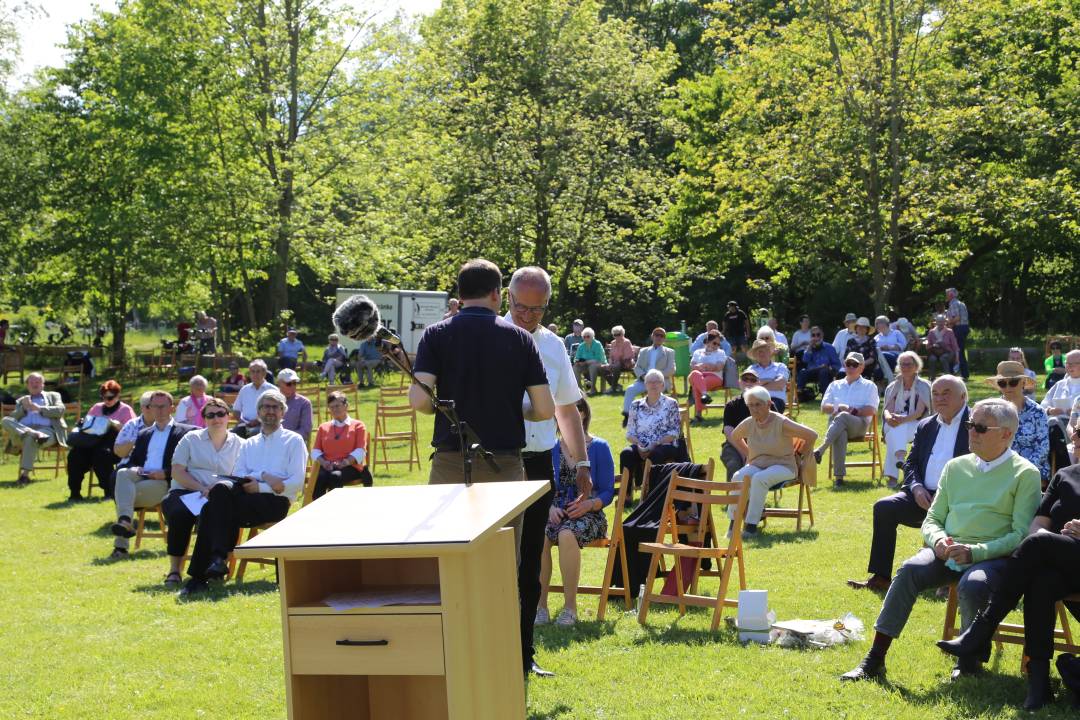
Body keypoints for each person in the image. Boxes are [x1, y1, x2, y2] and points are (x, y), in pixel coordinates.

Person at [841, 398, 1042, 683]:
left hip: (994, 558)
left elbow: (1020, 536)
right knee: (909, 570)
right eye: (970, 424)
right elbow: (932, 519)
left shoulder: (1025, 473)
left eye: (980, 428)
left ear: (1006, 434)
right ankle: (874, 659)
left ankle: (968, 662)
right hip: (947, 551)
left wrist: (974, 552)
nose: (971, 431)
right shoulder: (955, 467)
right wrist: (937, 541)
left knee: (973, 585)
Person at [504, 265, 592, 678]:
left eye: (536, 310)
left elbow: (567, 409)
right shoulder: (491, 336)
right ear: (507, 299)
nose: (527, 316)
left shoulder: (554, 345)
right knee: (498, 558)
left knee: (530, 560)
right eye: (521, 307)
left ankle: (524, 655)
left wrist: (582, 461)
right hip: (495, 460)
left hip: (538, 460)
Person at [937, 460, 1080, 710]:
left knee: (1035, 545)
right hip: (1063, 563)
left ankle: (982, 628)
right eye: (1076, 437)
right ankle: (1039, 685)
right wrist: (1051, 541)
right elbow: (1038, 526)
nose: (1076, 441)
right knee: (1041, 582)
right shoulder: (1064, 475)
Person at [410, 258, 555, 488]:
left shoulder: (434, 334)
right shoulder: (521, 339)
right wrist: (518, 409)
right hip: (503, 464)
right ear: (496, 293)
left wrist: (438, 408)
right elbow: (545, 409)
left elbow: (419, 400)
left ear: (460, 294)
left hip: (450, 461)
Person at [848, 375, 970, 592]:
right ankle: (881, 577)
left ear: (963, 397)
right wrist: (916, 487)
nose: (940, 398)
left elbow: (980, 466)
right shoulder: (926, 425)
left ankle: (948, 580)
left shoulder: (975, 425)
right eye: (935, 394)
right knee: (884, 507)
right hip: (923, 496)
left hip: (959, 499)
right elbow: (911, 463)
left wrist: (947, 494)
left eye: (946, 393)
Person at [179, 390, 307, 596]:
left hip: (275, 502)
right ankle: (216, 561)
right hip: (246, 499)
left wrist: (261, 486)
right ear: (258, 412)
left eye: (275, 407)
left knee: (212, 509)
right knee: (220, 490)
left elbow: (296, 483)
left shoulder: (294, 441)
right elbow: (238, 475)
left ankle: (203, 573)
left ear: (283, 412)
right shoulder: (249, 443)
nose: (270, 411)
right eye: (265, 407)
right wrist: (265, 476)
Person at [537, 397, 614, 627]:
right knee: (538, 535)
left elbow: (608, 492)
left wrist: (589, 505)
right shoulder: (550, 448)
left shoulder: (599, 447)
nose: (567, 413)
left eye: (574, 408)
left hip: (590, 513)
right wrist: (548, 507)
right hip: (555, 512)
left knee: (566, 534)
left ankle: (570, 609)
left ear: (583, 413)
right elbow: (542, 487)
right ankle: (540, 607)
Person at [160, 397, 243, 586]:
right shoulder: (190, 439)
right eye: (210, 415)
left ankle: (217, 565)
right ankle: (175, 570)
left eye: (220, 414)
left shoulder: (241, 443)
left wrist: (216, 490)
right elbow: (177, 471)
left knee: (224, 513)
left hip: (220, 495)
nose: (216, 419)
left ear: (228, 416)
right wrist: (202, 488)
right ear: (204, 419)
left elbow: (241, 474)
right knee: (179, 513)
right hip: (186, 491)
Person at [108, 391, 194, 560]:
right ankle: (125, 521)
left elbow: (190, 465)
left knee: (124, 496)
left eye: (163, 406)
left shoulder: (185, 433)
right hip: (143, 475)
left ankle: (121, 546)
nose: (158, 410)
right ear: (149, 408)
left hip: (165, 483)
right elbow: (133, 461)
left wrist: (165, 473)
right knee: (123, 472)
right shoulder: (143, 434)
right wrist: (139, 470)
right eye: (154, 406)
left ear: (172, 408)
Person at [728, 385, 818, 538]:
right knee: (738, 476)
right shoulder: (749, 422)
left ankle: (751, 527)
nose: (754, 409)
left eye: (758, 404)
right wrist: (749, 453)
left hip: (784, 466)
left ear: (769, 404)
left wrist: (801, 453)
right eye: (750, 405)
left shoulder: (781, 422)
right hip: (758, 465)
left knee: (759, 479)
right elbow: (735, 436)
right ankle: (733, 525)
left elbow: (812, 435)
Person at [813, 352, 880, 487]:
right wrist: (839, 408)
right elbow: (824, 408)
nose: (851, 367)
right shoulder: (834, 385)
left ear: (862, 367)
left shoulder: (869, 386)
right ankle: (839, 479)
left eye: (854, 364)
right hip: (837, 426)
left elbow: (871, 410)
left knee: (842, 417)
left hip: (859, 425)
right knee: (840, 431)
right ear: (844, 365)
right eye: (848, 364)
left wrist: (852, 410)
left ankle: (821, 449)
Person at [66, 380, 134, 501]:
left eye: (110, 397)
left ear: (117, 396)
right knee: (74, 455)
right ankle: (74, 493)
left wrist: (116, 425)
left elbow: (133, 431)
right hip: (91, 443)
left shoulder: (125, 410)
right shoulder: (97, 407)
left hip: (114, 446)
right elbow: (87, 426)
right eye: (103, 397)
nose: (106, 400)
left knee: (102, 454)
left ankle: (109, 492)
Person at [621, 369, 684, 498]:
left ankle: (652, 494)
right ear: (645, 385)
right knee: (626, 453)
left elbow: (674, 431)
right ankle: (626, 496)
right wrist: (639, 445)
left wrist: (656, 443)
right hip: (641, 445)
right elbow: (630, 433)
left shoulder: (671, 403)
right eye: (650, 382)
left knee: (656, 454)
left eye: (657, 381)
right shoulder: (635, 405)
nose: (653, 384)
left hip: (665, 444)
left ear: (663, 385)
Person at [1, 372, 67, 487]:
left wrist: (40, 409)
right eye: (31, 382)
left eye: (37, 382)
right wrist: (23, 409)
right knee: (5, 420)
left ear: (43, 384)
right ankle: (32, 432)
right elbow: (13, 418)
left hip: (46, 432)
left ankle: (24, 476)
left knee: (30, 438)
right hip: (22, 434)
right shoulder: (21, 400)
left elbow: (60, 410)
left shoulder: (53, 395)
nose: (34, 384)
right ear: (27, 385)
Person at [990, 361, 1050, 485]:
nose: (1007, 387)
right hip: (998, 469)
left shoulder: (1037, 412)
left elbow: (1042, 449)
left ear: (1023, 383)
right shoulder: (991, 412)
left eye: (1013, 382)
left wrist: (1021, 470)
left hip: (1032, 470)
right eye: (1002, 383)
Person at [881, 352, 931, 488]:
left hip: (917, 424)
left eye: (909, 364)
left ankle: (893, 475)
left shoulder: (923, 386)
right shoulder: (893, 386)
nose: (905, 367)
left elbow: (919, 412)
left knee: (894, 432)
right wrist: (889, 417)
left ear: (916, 366)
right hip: (893, 422)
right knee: (895, 428)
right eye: (902, 364)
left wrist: (902, 419)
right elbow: (887, 409)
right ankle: (901, 461)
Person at [719, 370, 781, 481]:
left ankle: (754, 491)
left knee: (761, 469)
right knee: (734, 464)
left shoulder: (768, 404)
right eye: (745, 379)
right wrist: (745, 453)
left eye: (753, 380)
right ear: (739, 383)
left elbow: (777, 428)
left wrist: (756, 453)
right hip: (734, 445)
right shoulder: (731, 405)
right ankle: (734, 492)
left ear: (759, 383)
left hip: (763, 445)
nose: (748, 382)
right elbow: (729, 431)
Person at [310, 390, 370, 499]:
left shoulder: (358, 425)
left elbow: (360, 451)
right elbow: (315, 451)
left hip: (351, 466)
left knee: (335, 476)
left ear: (346, 406)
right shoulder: (323, 427)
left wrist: (345, 462)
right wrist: (324, 463)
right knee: (319, 478)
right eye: (331, 407)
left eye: (337, 406)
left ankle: (335, 507)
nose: (334, 409)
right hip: (328, 466)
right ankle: (319, 507)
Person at [621, 328, 676, 427]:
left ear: (664, 339)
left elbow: (671, 369)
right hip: (644, 380)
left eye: (661, 336)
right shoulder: (643, 351)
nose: (659, 337)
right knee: (630, 389)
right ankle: (627, 416)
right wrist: (643, 376)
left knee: (654, 392)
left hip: (660, 382)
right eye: (656, 335)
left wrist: (657, 376)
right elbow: (637, 367)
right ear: (652, 337)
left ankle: (656, 418)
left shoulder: (669, 352)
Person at [1041, 349, 1080, 474]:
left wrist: (1075, 413)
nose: (1070, 366)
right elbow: (1042, 406)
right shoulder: (1059, 385)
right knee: (1054, 425)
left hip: (1077, 427)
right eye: (1067, 363)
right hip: (1056, 424)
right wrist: (1050, 410)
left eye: (1074, 363)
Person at [688, 330, 728, 423]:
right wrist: (698, 367)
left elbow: (719, 367)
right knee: (695, 374)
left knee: (696, 386)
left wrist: (708, 366)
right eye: (714, 343)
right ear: (708, 341)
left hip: (714, 376)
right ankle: (704, 395)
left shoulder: (720, 353)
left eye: (718, 344)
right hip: (697, 375)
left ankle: (698, 415)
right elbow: (692, 366)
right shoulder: (697, 352)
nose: (716, 346)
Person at [231, 359, 273, 438]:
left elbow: (275, 411)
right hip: (244, 425)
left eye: (258, 371)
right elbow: (236, 410)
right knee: (230, 436)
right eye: (252, 371)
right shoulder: (244, 389)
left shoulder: (272, 390)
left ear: (264, 373)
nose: (255, 374)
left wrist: (258, 420)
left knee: (252, 434)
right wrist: (241, 421)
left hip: (264, 425)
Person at [797, 326, 841, 400]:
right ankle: (799, 393)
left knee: (823, 371)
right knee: (802, 372)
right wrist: (810, 347)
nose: (816, 337)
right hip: (812, 371)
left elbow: (837, 365)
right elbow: (805, 360)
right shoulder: (809, 348)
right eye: (813, 335)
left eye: (818, 334)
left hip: (826, 372)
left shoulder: (830, 348)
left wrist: (830, 368)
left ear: (822, 335)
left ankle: (825, 396)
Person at [746, 339, 789, 414]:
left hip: (775, 400)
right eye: (758, 352)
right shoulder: (751, 369)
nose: (761, 353)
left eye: (763, 350)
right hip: (754, 400)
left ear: (769, 352)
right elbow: (747, 385)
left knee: (766, 407)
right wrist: (770, 380)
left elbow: (780, 384)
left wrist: (756, 385)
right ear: (755, 356)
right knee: (733, 406)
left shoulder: (780, 366)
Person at [114, 392, 154, 468]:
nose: (154, 409)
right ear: (141, 408)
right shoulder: (131, 425)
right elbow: (118, 452)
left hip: (157, 467)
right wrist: (137, 440)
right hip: (130, 465)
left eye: (158, 406)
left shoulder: (166, 426)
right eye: (149, 406)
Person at [277, 368, 312, 446]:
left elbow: (305, 431)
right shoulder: (272, 401)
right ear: (279, 383)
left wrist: (284, 439)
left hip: (294, 444)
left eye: (295, 383)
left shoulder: (304, 403)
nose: (293, 386)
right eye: (289, 383)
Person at [600, 325, 636, 394]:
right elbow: (611, 356)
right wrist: (610, 364)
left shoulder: (626, 342)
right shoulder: (613, 343)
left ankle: (613, 388)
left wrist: (616, 363)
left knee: (616, 366)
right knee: (601, 368)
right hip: (615, 363)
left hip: (626, 364)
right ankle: (617, 386)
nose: (616, 336)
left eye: (618, 334)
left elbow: (627, 357)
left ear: (622, 334)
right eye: (615, 335)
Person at [924, 314, 959, 379]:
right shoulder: (931, 332)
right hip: (934, 352)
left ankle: (947, 377)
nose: (941, 323)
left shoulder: (949, 331)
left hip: (948, 352)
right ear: (936, 322)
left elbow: (955, 346)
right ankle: (932, 377)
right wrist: (933, 345)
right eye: (939, 321)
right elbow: (927, 345)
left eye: (942, 321)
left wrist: (957, 357)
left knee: (943, 358)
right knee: (932, 359)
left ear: (945, 322)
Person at [945, 287, 970, 379]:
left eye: (947, 294)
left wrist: (946, 322)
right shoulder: (961, 303)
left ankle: (959, 373)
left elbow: (957, 318)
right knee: (960, 351)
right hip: (964, 328)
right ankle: (963, 373)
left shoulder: (954, 304)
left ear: (951, 295)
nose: (946, 296)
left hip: (959, 328)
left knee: (957, 350)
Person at [573, 327, 607, 394]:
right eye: (584, 337)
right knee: (575, 368)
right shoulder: (581, 346)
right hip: (585, 365)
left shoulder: (597, 344)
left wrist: (586, 362)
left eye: (588, 336)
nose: (586, 338)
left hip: (599, 364)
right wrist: (578, 362)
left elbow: (598, 359)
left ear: (592, 336)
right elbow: (576, 358)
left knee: (592, 366)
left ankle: (593, 389)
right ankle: (580, 390)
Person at [846, 317, 880, 381]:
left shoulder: (871, 341)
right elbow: (846, 356)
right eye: (859, 327)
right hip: (852, 366)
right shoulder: (850, 341)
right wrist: (852, 365)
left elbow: (872, 358)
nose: (861, 329)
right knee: (841, 374)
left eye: (864, 327)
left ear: (867, 329)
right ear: (856, 328)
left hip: (867, 367)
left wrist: (860, 365)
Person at [873, 315, 906, 382]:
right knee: (878, 368)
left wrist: (889, 347)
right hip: (880, 359)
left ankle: (884, 378)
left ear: (886, 323)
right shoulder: (876, 338)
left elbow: (903, 344)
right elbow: (873, 349)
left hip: (897, 357)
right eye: (876, 324)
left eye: (878, 323)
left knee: (884, 355)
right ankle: (883, 377)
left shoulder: (896, 333)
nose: (877, 325)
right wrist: (878, 349)